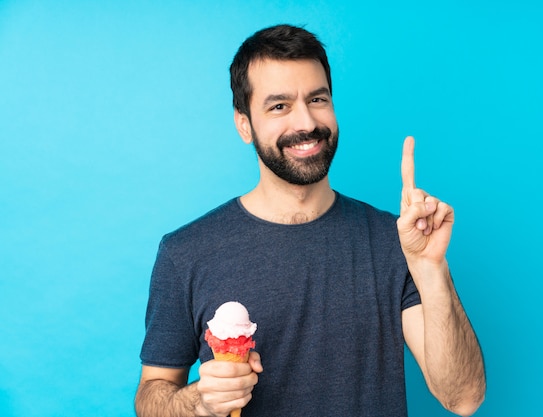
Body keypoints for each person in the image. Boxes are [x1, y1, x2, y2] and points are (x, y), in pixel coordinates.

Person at [135, 24, 485, 417]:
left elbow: (464, 398)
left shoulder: (394, 242)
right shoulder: (185, 253)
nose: (306, 122)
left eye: (317, 99)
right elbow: (153, 395)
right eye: (279, 105)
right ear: (244, 124)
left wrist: (431, 268)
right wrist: (198, 401)